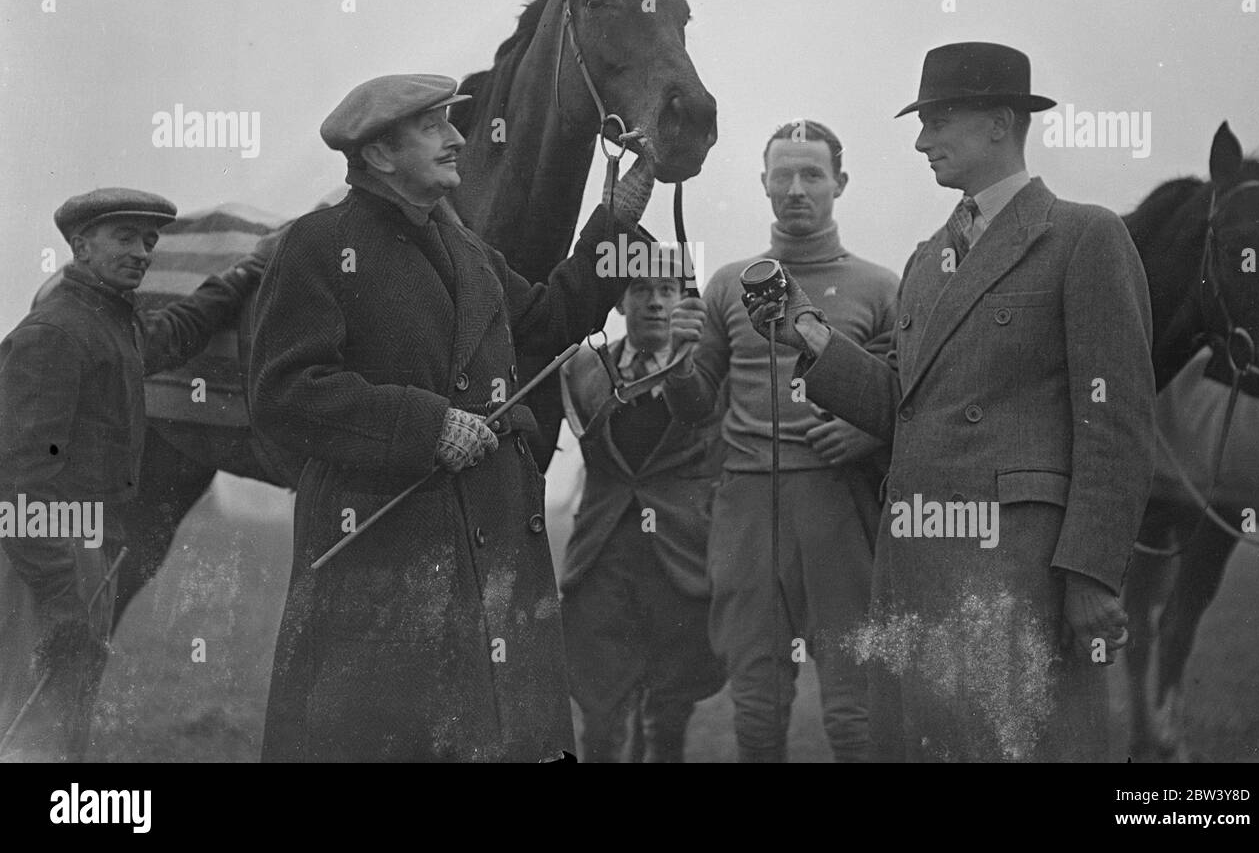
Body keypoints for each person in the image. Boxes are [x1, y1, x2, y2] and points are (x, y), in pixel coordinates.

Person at [753, 42, 1155, 761]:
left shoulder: (1083, 235)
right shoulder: (927, 257)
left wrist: (1092, 573)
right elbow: (907, 410)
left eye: (939, 120)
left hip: (1020, 571)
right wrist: (807, 334)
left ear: (1001, 123)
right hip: (915, 566)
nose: (920, 140)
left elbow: (1116, 423)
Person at [249, 73, 657, 763]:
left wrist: (614, 217)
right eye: (434, 125)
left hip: (492, 550)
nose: (459, 138)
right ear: (379, 155)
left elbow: (549, 321)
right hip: (382, 561)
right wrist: (425, 424)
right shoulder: (317, 244)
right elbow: (285, 391)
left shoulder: (468, 250)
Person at [0, 189, 265, 761]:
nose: (143, 252)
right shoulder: (55, 335)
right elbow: (20, 484)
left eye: (148, 241)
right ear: (79, 245)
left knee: (63, 717)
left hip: (84, 551)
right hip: (45, 557)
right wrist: (62, 597)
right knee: (31, 720)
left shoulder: (112, 325)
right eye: (124, 237)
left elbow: (177, 329)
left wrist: (243, 275)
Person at [665, 120, 898, 763]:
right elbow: (693, 406)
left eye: (812, 174)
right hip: (745, 508)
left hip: (840, 508)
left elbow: (903, 398)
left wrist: (866, 430)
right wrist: (676, 356)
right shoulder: (725, 284)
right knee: (758, 706)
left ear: (839, 184)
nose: (797, 189)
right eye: (783, 175)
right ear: (763, 183)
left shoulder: (882, 288)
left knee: (854, 708)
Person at [559, 258, 727, 762]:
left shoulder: (708, 368)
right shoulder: (582, 367)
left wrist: (682, 359)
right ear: (619, 300)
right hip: (602, 557)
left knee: (668, 714)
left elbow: (699, 407)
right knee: (600, 712)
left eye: (667, 289)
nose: (654, 300)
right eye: (639, 288)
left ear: (683, 300)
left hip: (681, 560)